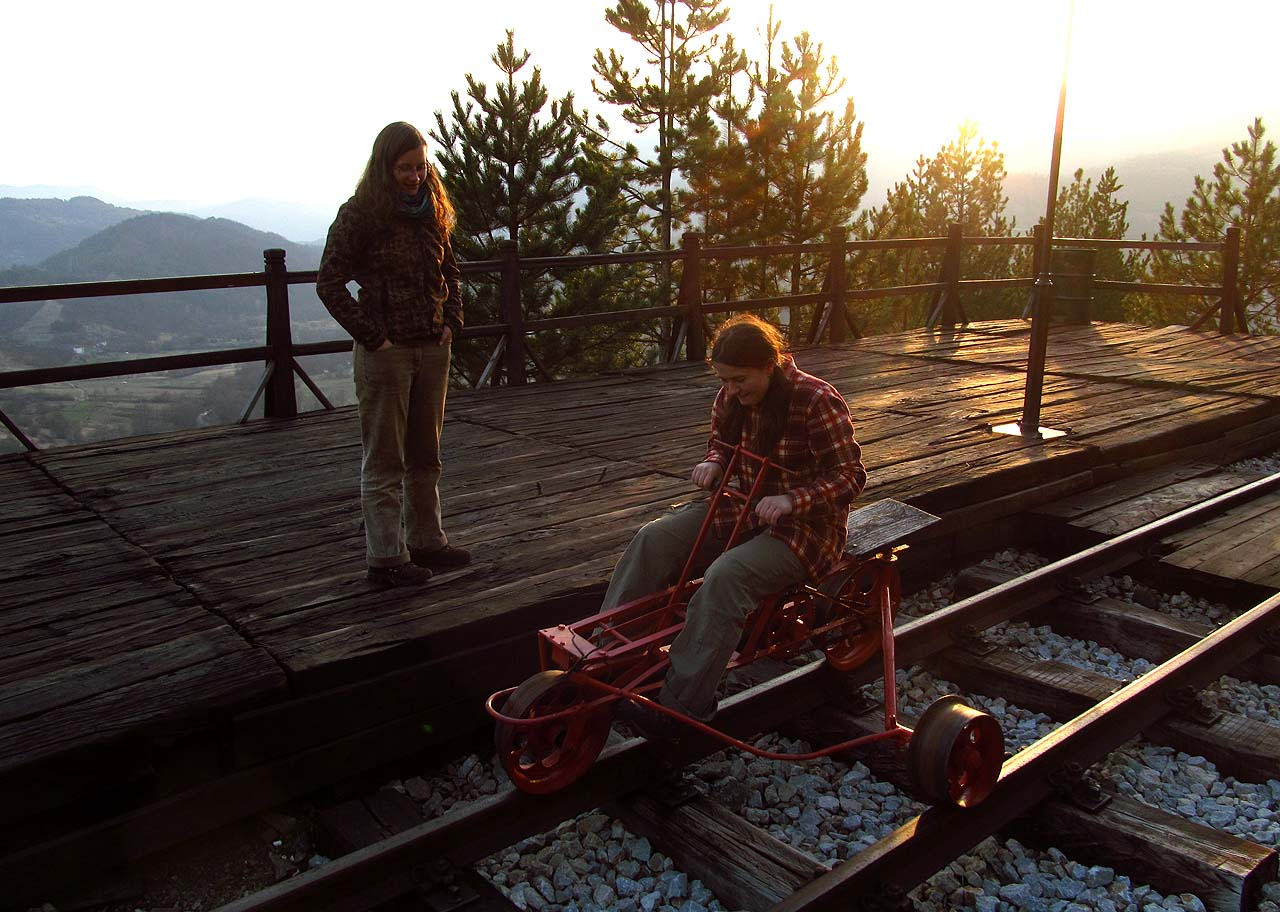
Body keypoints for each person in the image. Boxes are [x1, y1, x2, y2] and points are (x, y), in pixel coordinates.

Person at [601, 314, 866, 732]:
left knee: (725, 577)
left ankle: (680, 707)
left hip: (806, 531)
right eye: (724, 380)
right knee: (653, 538)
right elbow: (719, 445)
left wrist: (792, 500)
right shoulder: (731, 399)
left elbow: (850, 476)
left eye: (739, 379)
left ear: (769, 364)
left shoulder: (816, 400)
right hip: (740, 509)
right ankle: (609, 658)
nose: (730, 390)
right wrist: (713, 462)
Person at [317, 121, 471, 589]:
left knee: (427, 455)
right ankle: (385, 558)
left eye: (421, 166)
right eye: (405, 168)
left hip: (431, 347)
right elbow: (329, 282)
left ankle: (427, 541)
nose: (415, 176)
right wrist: (372, 336)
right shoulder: (361, 213)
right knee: (385, 460)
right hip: (386, 354)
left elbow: (451, 269)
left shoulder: (432, 210)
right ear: (385, 166)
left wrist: (451, 323)